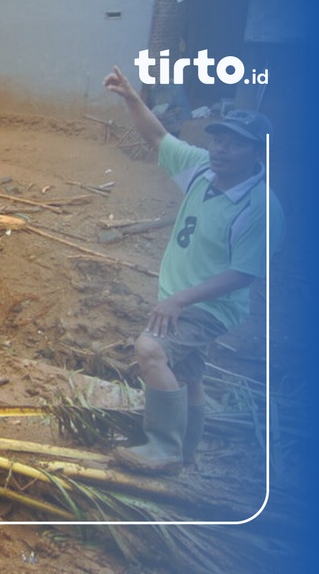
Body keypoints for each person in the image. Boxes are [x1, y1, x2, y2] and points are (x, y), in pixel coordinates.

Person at [103, 65, 284, 475]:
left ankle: (163, 447)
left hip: (212, 306)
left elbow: (244, 273)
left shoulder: (260, 206)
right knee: (189, 375)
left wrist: (179, 300)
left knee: (151, 350)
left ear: (259, 153)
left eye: (236, 144)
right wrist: (131, 96)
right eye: (219, 137)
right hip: (181, 297)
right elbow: (158, 138)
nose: (221, 148)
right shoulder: (204, 169)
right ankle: (187, 452)